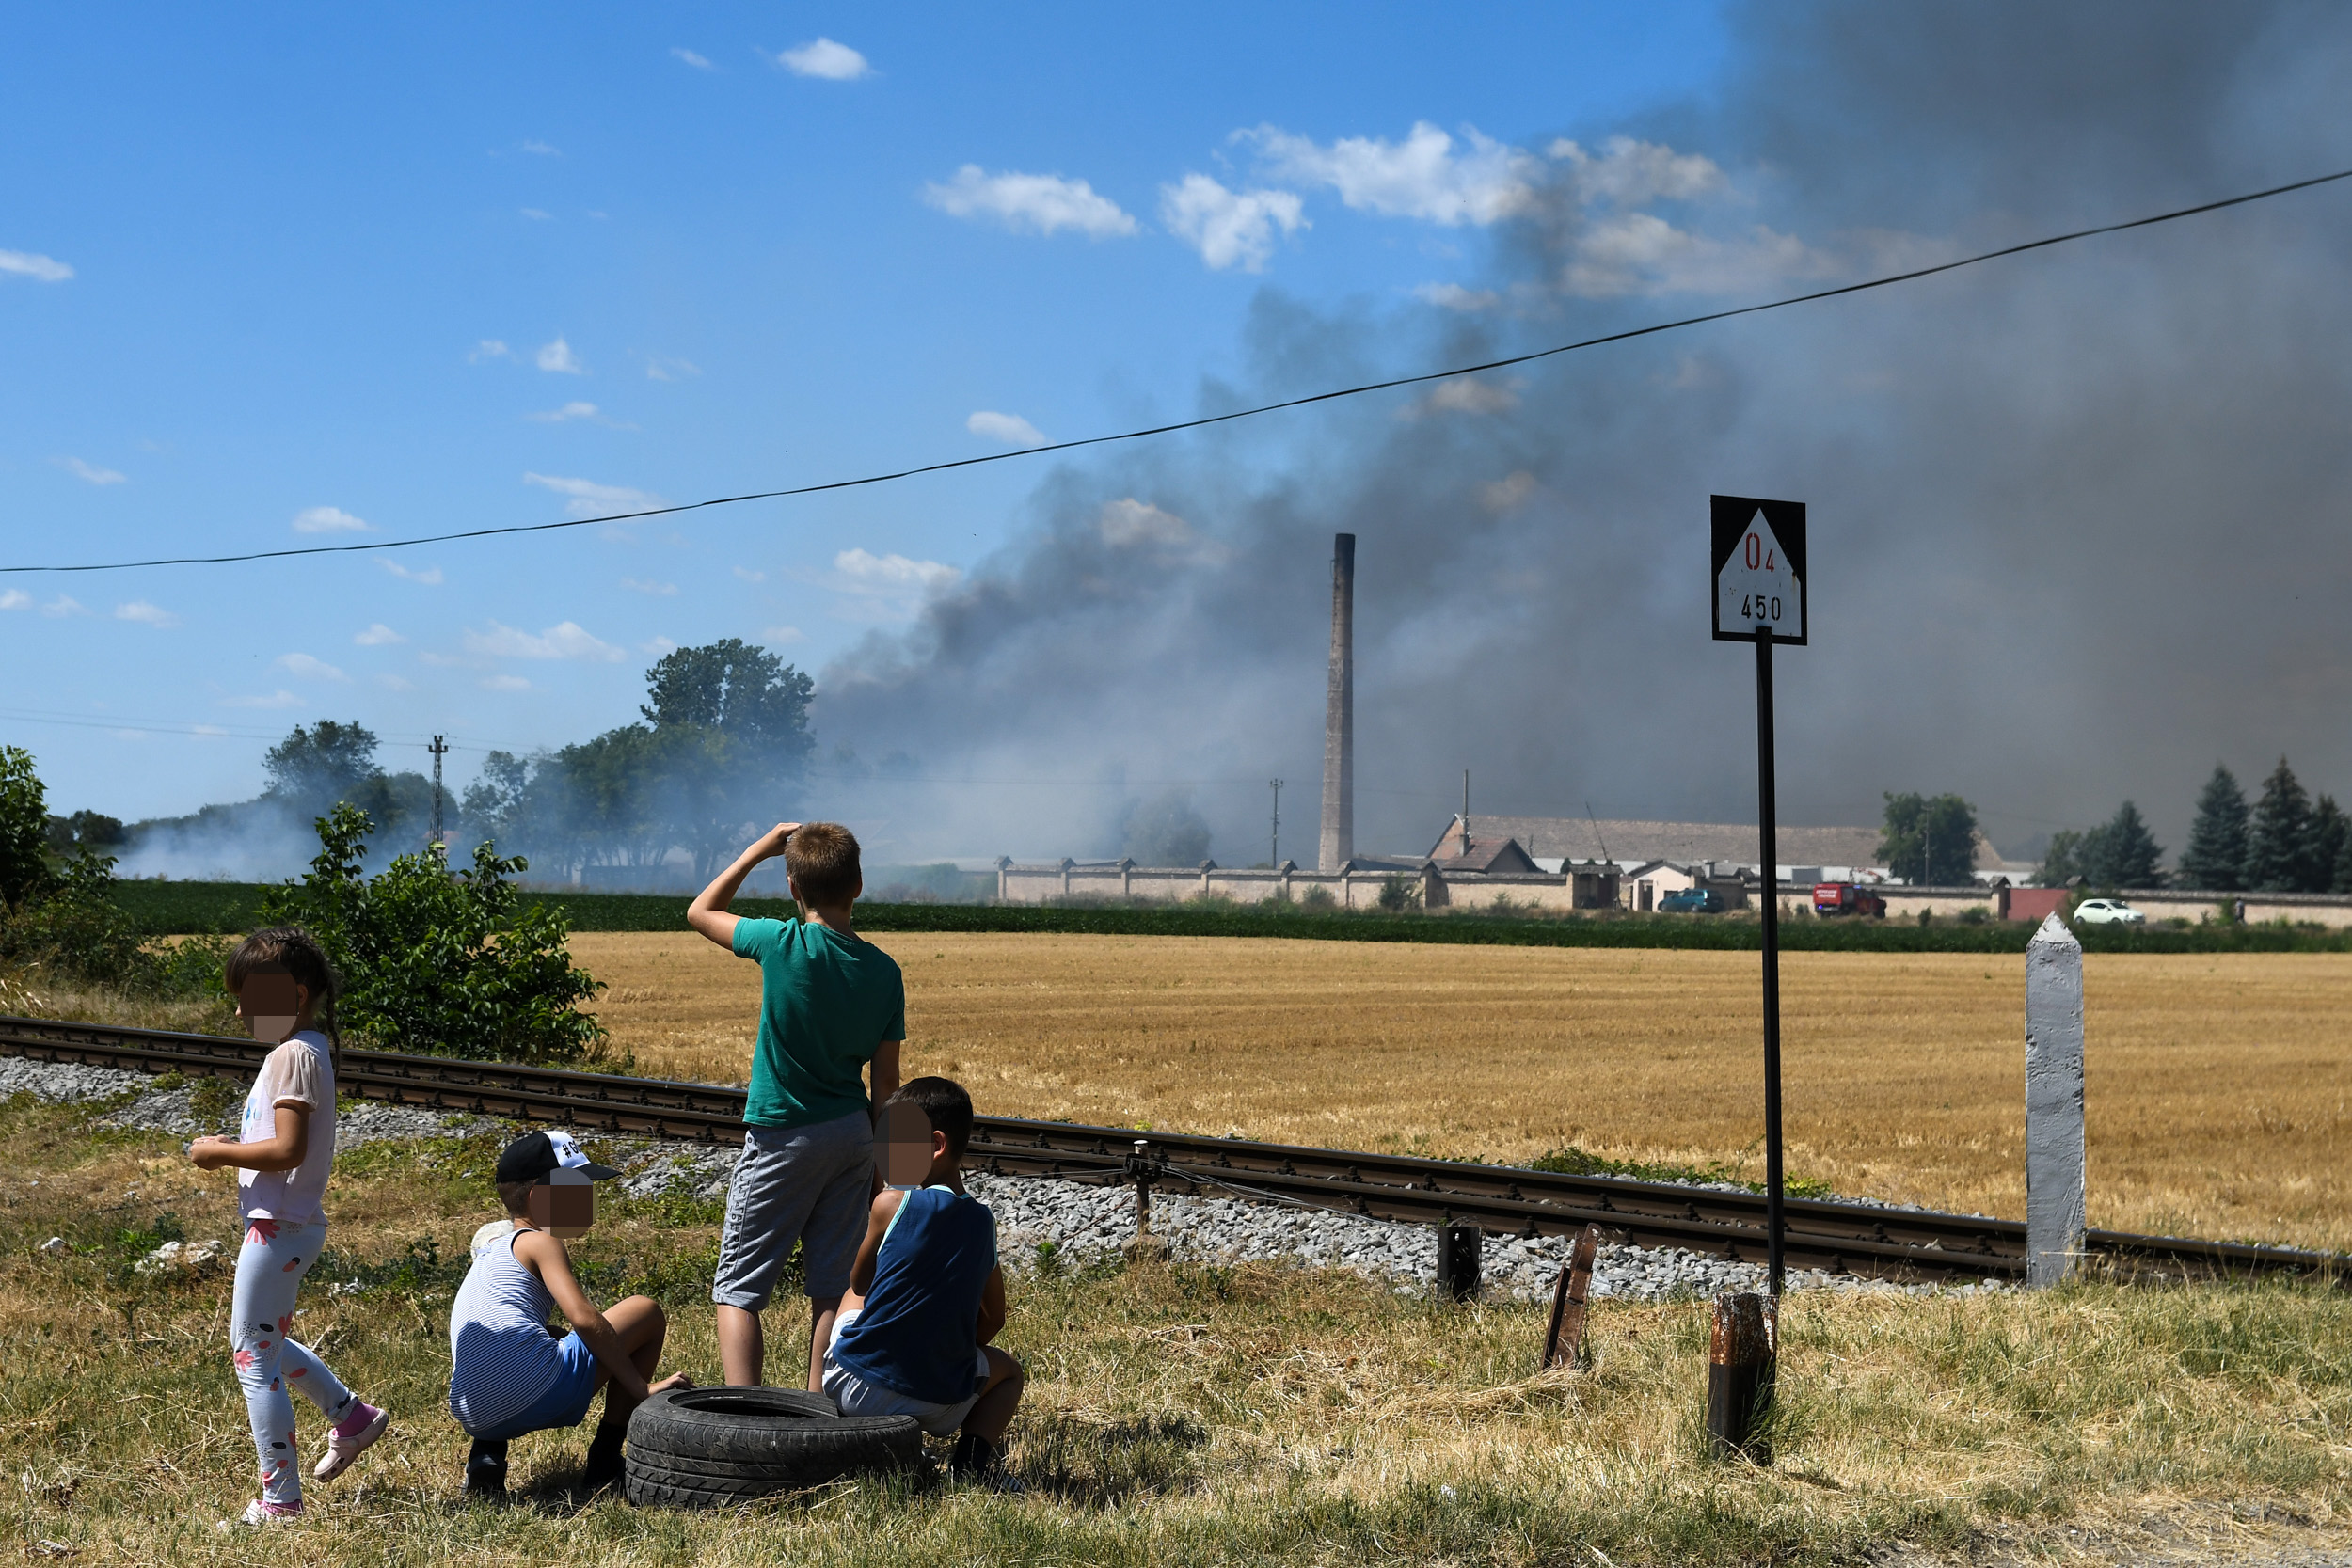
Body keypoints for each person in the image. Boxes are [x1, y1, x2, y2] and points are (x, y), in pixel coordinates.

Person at [687, 821, 904, 1390]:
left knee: (739, 1288)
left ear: (792, 887)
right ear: (858, 884)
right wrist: (894, 1173)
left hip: (783, 1134)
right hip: (853, 1137)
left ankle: (744, 1414)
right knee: (833, 1286)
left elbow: (700, 911)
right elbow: (888, 1086)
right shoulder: (885, 971)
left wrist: (759, 849)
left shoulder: (781, 943)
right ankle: (819, 1411)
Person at [187, 927, 390, 1528]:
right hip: (287, 1224)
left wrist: (217, 1154)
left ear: (295, 993)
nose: (240, 1010)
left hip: (277, 1229)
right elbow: (280, 1145)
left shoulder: (292, 1054)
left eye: (250, 996)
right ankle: (350, 1417)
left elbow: (288, 1149)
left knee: (253, 1359)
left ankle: (281, 1500)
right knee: (264, 1342)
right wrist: (237, 1145)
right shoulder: (307, 1049)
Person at [447, 1129, 693, 1499]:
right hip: (540, 1392)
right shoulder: (542, 1241)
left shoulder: (488, 1257)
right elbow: (584, 1318)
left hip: (471, 1408)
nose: (588, 1199)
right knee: (646, 1311)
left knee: (518, 1350)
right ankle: (605, 1460)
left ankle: (486, 1461)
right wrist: (640, 1387)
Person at [824, 1077, 1024, 1483]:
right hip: (940, 1402)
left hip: (854, 1385)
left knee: (845, 1296)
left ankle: (817, 1411)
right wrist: (952, 1349)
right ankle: (970, 1466)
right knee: (1010, 1372)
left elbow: (860, 1282)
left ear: (935, 1146)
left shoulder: (890, 1203)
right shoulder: (983, 1223)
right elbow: (995, 1318)